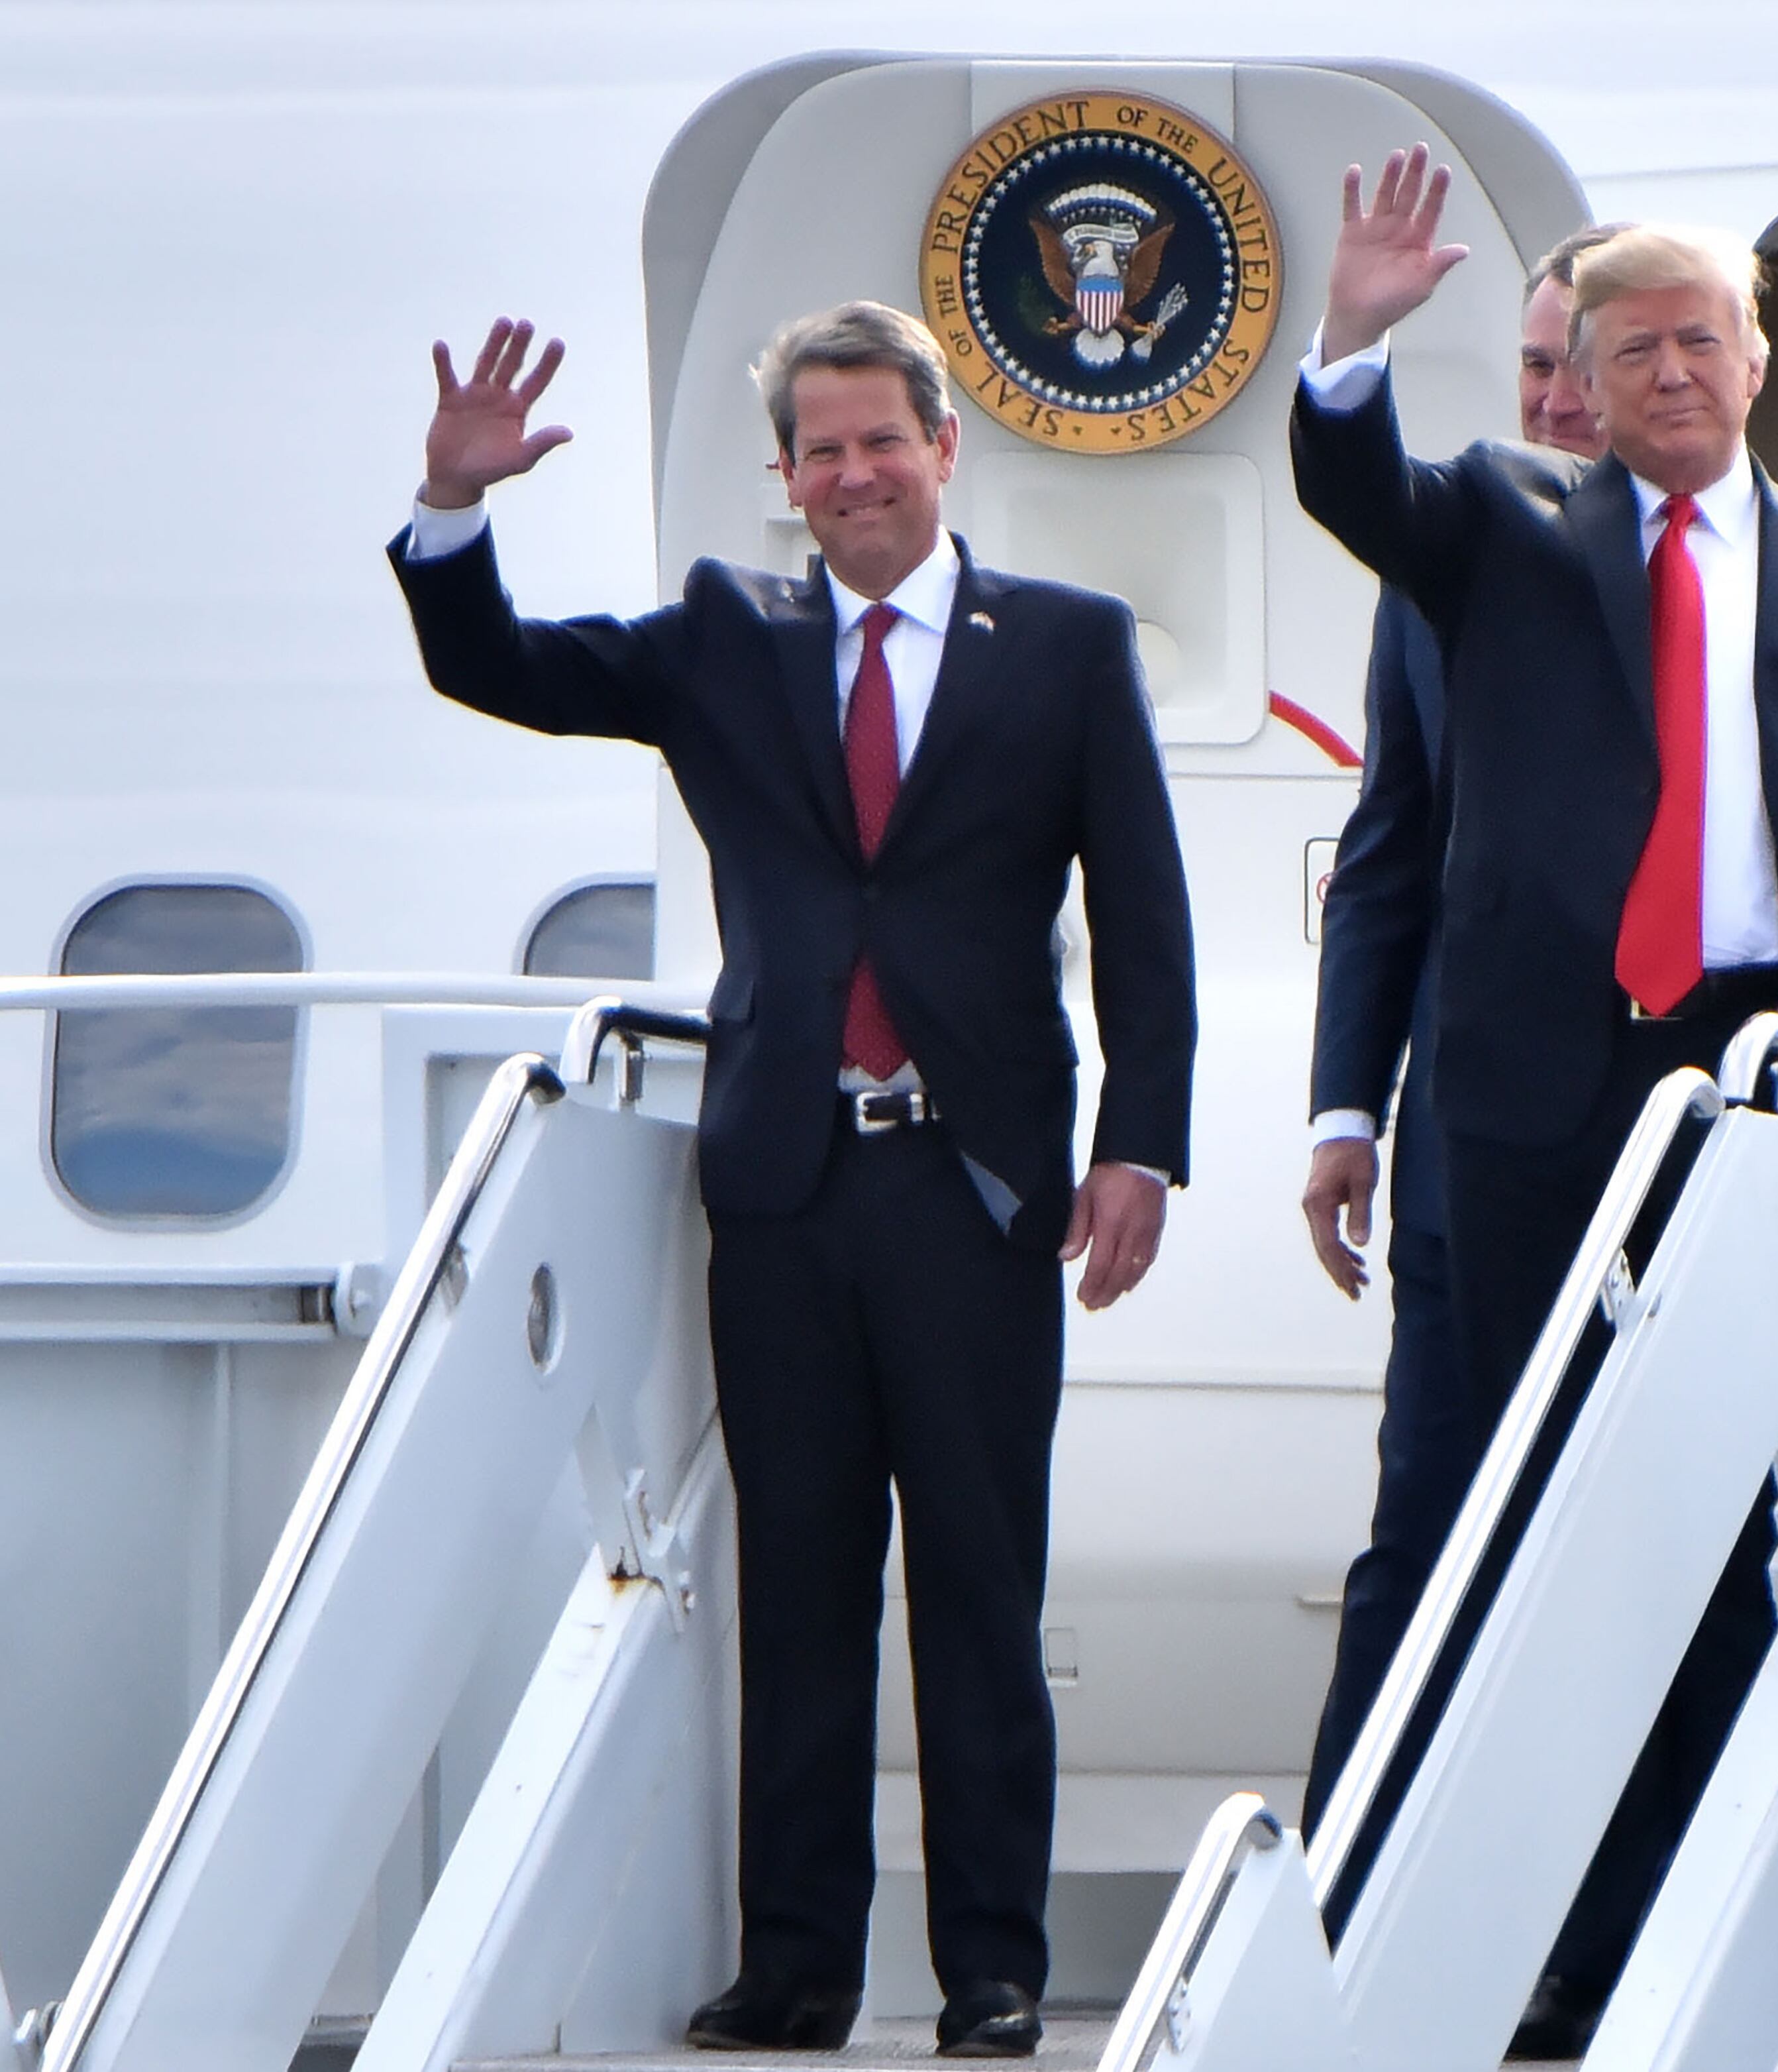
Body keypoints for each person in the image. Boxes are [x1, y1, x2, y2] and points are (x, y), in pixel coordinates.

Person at [389, 306, 1197, 2057]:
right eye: (819, 453)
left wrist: (1141, 1142)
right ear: (787, 480)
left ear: (943, 448)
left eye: (878, 443)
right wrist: (453, 508)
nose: (851, 477)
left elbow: (1144, 917)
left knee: (981, 1588)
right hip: (784, 1180)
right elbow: (499, 667)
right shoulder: (720, 635)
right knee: (804, 1592)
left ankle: (993, 1974)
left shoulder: (1061, 645)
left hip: (978, 1187)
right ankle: (801, 1972)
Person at [1290, 148, 1778, 2055]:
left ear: (1757, 358)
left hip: (1756, 1086)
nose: (1669, 372)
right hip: (1518, 1098)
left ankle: (1644, 1951)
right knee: (1458, 1513)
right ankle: (1361, 1918)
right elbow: (1363, 510)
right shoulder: (1507, 533)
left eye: (1702, 338)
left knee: (1717, 1531)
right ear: (1579, 382)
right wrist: (1348, 339)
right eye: (1628, 349)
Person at [1297, 226, 1618, 1841]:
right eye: (1539, 364)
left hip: (1663, 1141)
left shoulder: (1777, 574)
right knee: (1424, 1516)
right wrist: (1343, 1105)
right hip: (1461, 1152)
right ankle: (1340, 1905)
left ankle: (1605, 1939)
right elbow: (1387, 849)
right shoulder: (1449, 558)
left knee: (1643, 1540)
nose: (1560, 399)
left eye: (1593, 362)